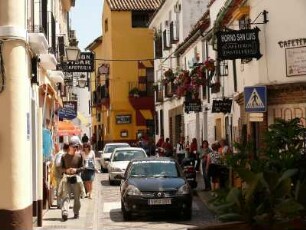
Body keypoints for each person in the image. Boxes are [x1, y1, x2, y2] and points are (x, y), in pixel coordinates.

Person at [59, 136, 85, 221]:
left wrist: (76, 170)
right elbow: (60, 168)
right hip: (66, 178)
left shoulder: (79, 156)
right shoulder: (64, 156)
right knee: (66, 196)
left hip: (76, 179)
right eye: (74, 146)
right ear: (70, 146)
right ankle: (65, 212)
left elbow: (83, 167)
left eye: (77, 147)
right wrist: (66, 170)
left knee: (77, 197)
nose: (76, 148)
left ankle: (76, 212)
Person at [51, 143, 69, 208]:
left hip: (60, 174)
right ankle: (59, 204)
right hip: (59, 174)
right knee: (60, 189)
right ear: (67, 148)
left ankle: (60, 203)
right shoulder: (61, 154)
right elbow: (58, 164)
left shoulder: (61, 153)